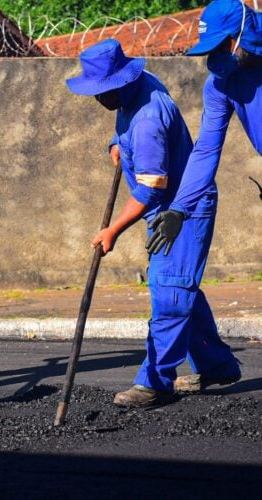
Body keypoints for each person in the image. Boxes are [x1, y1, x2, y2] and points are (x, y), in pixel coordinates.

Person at [66, 38, 240, 408]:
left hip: (182, 211)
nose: (98, 99)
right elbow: (125, 130)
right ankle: (219, 365)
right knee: (179, 288)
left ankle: (155, 382)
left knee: (170, 294)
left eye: (103, 92)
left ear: (121, 82)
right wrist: (117, 143)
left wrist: (112, 229)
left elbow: (150, 190)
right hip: (164, 208)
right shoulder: (139, 86)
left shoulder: (148, 120)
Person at [146, 0, 260, 391]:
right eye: (208, 48)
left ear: (242, 35)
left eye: (220, 45)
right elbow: (206, 151)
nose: (214, 56)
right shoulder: (222, 84)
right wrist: (179, 208)